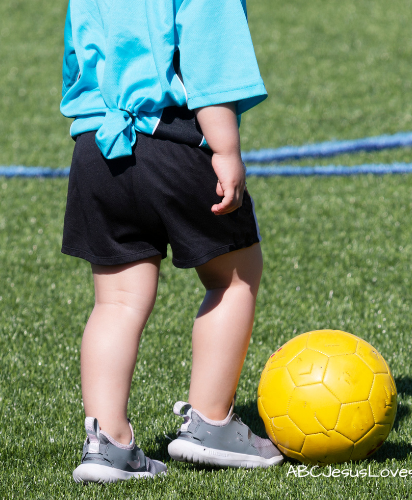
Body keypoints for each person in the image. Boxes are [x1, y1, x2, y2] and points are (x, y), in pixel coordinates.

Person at [60, 0, 283, 484]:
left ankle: (108, 445)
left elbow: (77, 61)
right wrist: (225, 150)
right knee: (234, 275)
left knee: (116, 302)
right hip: (176, 141)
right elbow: (210, 61)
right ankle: (211, 423)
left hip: (97, 147)